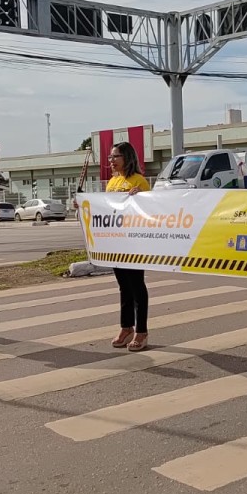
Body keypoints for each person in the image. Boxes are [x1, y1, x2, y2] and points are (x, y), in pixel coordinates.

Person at [105, 141, 150, 352]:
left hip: (134, 242)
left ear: (127, 158)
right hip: (116, 242)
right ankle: (126, 327)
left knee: (137, 286)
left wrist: (139, 197)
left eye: (116, 156)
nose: (112, 161)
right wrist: (83, 204)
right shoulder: (112, 182)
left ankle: (142, 331)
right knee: (123, 286)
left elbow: (149, 209)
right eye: (110, 157)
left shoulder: (139, 181)